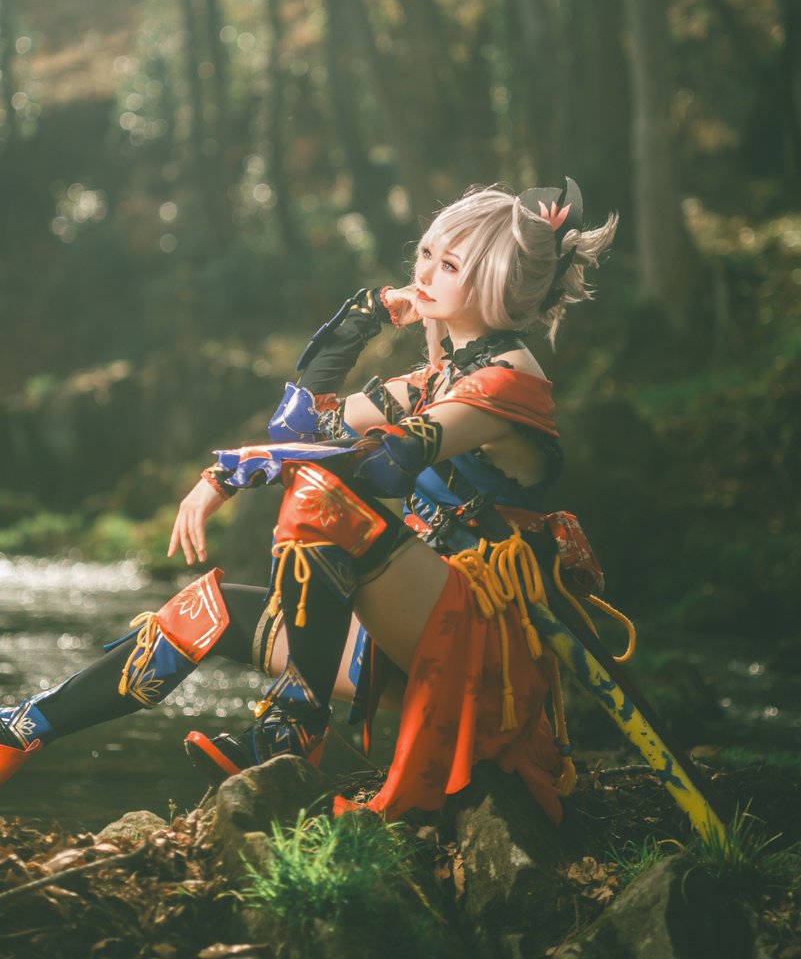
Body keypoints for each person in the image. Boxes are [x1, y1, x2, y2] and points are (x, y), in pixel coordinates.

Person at [0, 180, 617, 825]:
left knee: (323, 497)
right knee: (199, 612)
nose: (424, 274)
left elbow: (381, 465)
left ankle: (293, 725)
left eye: (450, 265)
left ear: (495, 282)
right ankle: (21, 727)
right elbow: (298, 427)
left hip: (482, 646)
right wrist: (365, 315)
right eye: (425, 254)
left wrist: (240, 472)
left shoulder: (506, 381)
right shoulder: (441, 377)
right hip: (415, 621)